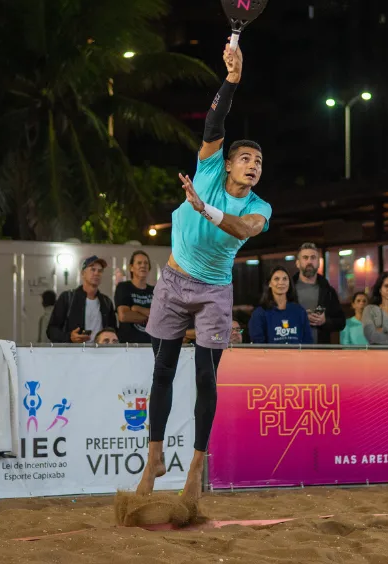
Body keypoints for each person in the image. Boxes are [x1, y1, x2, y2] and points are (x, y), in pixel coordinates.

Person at [138, 44, 271, 502]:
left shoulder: (259, 208)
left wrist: (206, 210)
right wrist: (231, 79)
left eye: (259, 163)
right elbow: (214, 125)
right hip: (173, 282)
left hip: (214, 291)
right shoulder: (209, 168)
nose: (253, 166)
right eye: (247, 159)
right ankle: (154, 455)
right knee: (161, 370)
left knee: (204, 378)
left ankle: (196, 464)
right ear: (229, 163)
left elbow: (242, 228)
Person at [47, 256, 117, 343]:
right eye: (93, 269)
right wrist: (69, 337)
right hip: (75, 353)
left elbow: (113, 331)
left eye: (100, 271)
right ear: (83, 273)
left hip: (100, 353)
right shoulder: (67, 298)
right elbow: (51, 330)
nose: (96, 273)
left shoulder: (106, 302)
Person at [292, 243, 345, 344]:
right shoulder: (288, 289)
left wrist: (325, 321)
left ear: (318, 263)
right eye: (305, 258)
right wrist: (300, 317)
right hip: (292, 348)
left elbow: (341, 322)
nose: (309, 261)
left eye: (313, 258)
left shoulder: (328, 291)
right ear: (298, 263)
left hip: (320, 349)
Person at [249, 267, 312, 345]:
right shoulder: (259, 313)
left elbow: (308, 343)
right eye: (276, 279)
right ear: (269, 284)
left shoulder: (300, 311)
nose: (281, 282)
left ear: (289, 283)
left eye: (285, 279)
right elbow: (258, 345)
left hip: (296, 357)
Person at [115, 250, 154, 344]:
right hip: (128, 346)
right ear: (131, 267)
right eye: (139, 263)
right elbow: (124, 316)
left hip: (150, 346)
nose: (143, 265)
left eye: (146, 263)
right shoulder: (123, 287)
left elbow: (161, 318)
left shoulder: (155, 291)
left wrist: (136, 308)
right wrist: (150, 318)